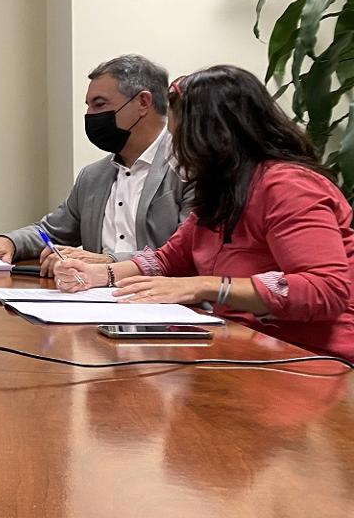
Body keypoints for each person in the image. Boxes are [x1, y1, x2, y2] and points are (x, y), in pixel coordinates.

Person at [55, 65, 354, 361]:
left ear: (216, 137)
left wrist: (204, 285)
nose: (177, 153)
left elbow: (325, 288)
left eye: (182, 139)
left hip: (315, 360)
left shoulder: (288, 186)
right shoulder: (222, 191)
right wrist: (98, 275)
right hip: (246, 348)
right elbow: (166, 259)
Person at [0, 55, 188, 275]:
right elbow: (50, 233)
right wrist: (8, 242)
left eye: (99, 104)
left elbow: (187, 253)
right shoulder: (93, 176)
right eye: (88, 106)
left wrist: (109, 263)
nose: (89, 115)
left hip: (167, 304)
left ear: (143, 102)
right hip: (94, 299)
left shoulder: (190, 167)